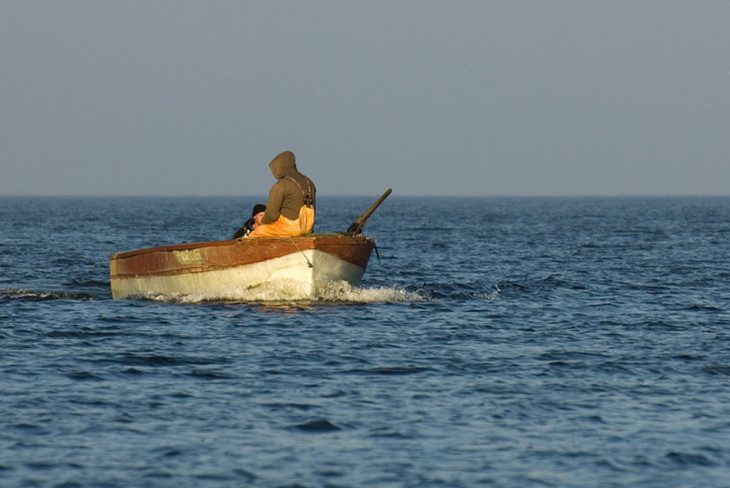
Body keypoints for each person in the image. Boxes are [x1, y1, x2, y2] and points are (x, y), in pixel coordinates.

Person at [247, 150, 316, 238]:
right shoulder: (309, 182)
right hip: (308, 228)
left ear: (279, 168)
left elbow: (271, 215)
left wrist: (262, 223)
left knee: (256, 233)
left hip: (289, 228)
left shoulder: (281, 185)